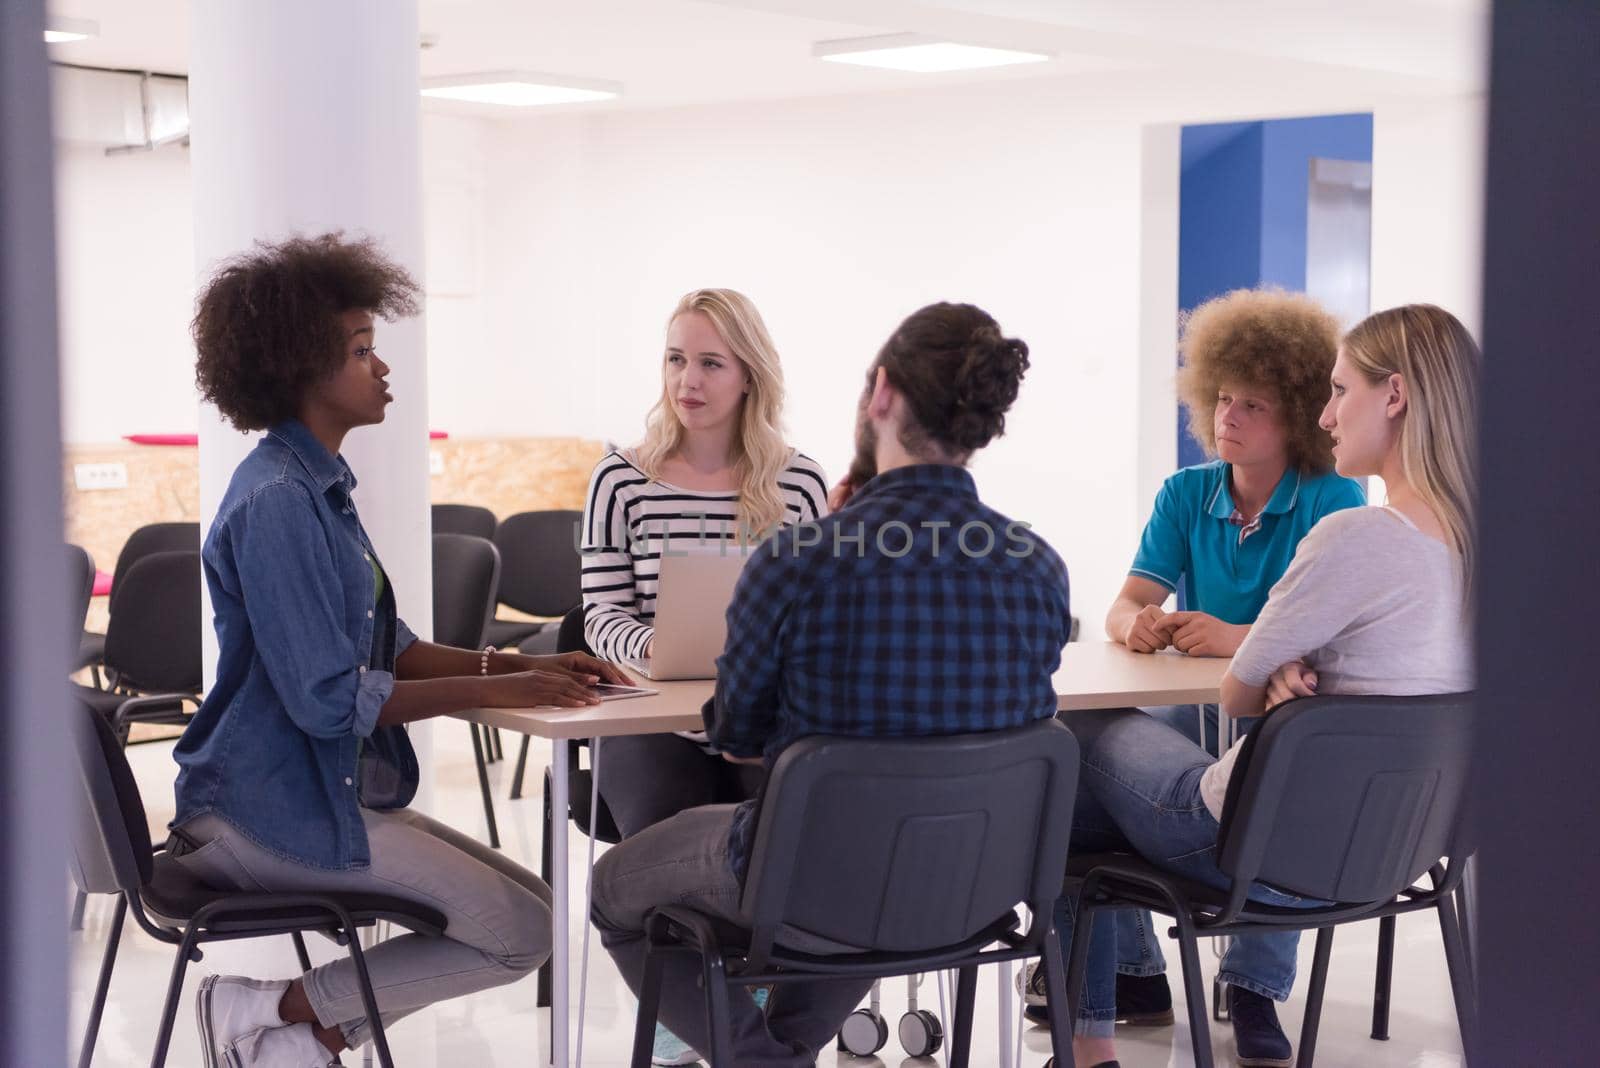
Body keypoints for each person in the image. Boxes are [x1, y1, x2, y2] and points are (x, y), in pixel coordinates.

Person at [170, 234, 631, 1068]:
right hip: (261, 810)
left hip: (304, 794)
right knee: (521, 931)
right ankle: (276, 1008)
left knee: (534, 907)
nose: (382, 371)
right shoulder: (278, 501)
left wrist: (513, 670)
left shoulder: (319, 489)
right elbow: (327, 700)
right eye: (360, 351)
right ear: (302, 369)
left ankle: (296, 1037)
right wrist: (495, 689)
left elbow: (396, 648)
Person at [590, 301, 1075, 1066]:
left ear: (881, 393)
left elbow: (736, 733)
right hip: (974, 886)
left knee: (614, 889)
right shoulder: (1041, 567)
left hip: (815, 877)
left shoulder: (799, 560)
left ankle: (759, 1058)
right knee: (858, 884)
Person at [1054, 303, 1477, 1068]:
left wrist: (1267, 666)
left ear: (1396, 396)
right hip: (1388, 851)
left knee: (1060, 756)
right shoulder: (1484, 545)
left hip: (1258, 846)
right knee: (1091, 810)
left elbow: (1239, 697)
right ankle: (1130, 995)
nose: (1326, 414)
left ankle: (1090, 1046)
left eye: (1339, 391)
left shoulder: (1351, 532)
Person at [1025, 289, 1365, 1061]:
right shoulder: (1185, 494)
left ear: (1300, 415)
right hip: (1197, 711)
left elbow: (1321, 640)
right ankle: (1137, 974)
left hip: (1274, 713)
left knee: (1260, 768)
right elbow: (1126, 601)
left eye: (1252, 405)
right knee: (1104, 766)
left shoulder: (1333, 500)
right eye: (1220, 400)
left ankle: (1251, 987)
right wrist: (1133, 623)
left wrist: (1230, 637)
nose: (1228, 419)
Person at [578, 287, 826, 1062]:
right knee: (667, 860)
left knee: (805, 843)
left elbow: (819, 619)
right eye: (677, 358)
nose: (688, 379)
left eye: (710, 362)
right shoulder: (620, 477)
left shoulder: (798, 483)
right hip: (652, 716)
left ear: (748, 374)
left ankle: (747, 1020)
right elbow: (600, 615)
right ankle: (699, 1026)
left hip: (768, 718)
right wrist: (661, 654)